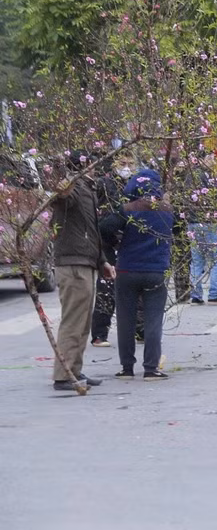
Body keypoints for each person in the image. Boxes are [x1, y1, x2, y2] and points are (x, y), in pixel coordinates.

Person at [101, 168, 183, 381]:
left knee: (126, 320)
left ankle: (127, 368)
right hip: (155, 271)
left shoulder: (126, 209)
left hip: (127, 269)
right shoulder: (167, 210)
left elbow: (103, 228)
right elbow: (179, 229)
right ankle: (151, 369)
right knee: (153, 320)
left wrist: (115, 244)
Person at [50, 151, 116, 390]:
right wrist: (64, 184)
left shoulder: (87, 189)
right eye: (91, 165)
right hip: (73, 263)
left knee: (83, 323)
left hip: (86, 262)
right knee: (73, 321)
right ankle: (64, 374)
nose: (95, 170)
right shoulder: (73, 187)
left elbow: (91, 230)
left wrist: (102, 262)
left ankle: (74, 370)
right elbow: (61, 199)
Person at [90, 152, 131, 347]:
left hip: (127, 241)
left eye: (130, 164)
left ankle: (139, 329)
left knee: (134, 288)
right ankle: (99, 333)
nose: (127, 167)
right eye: (123, 163)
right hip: (107, 239)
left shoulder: (132, 184)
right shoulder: (103, 183)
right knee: (106, 288)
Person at [187, 151, 217, 304]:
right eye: (210, 158)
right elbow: (211, 198)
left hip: (193, 222)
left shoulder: (190, 175)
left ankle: (196, 295)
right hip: (207, 221)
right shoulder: (203, 176)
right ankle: (215, 294)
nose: (213, 161)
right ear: (200, 159)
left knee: (197, 261)